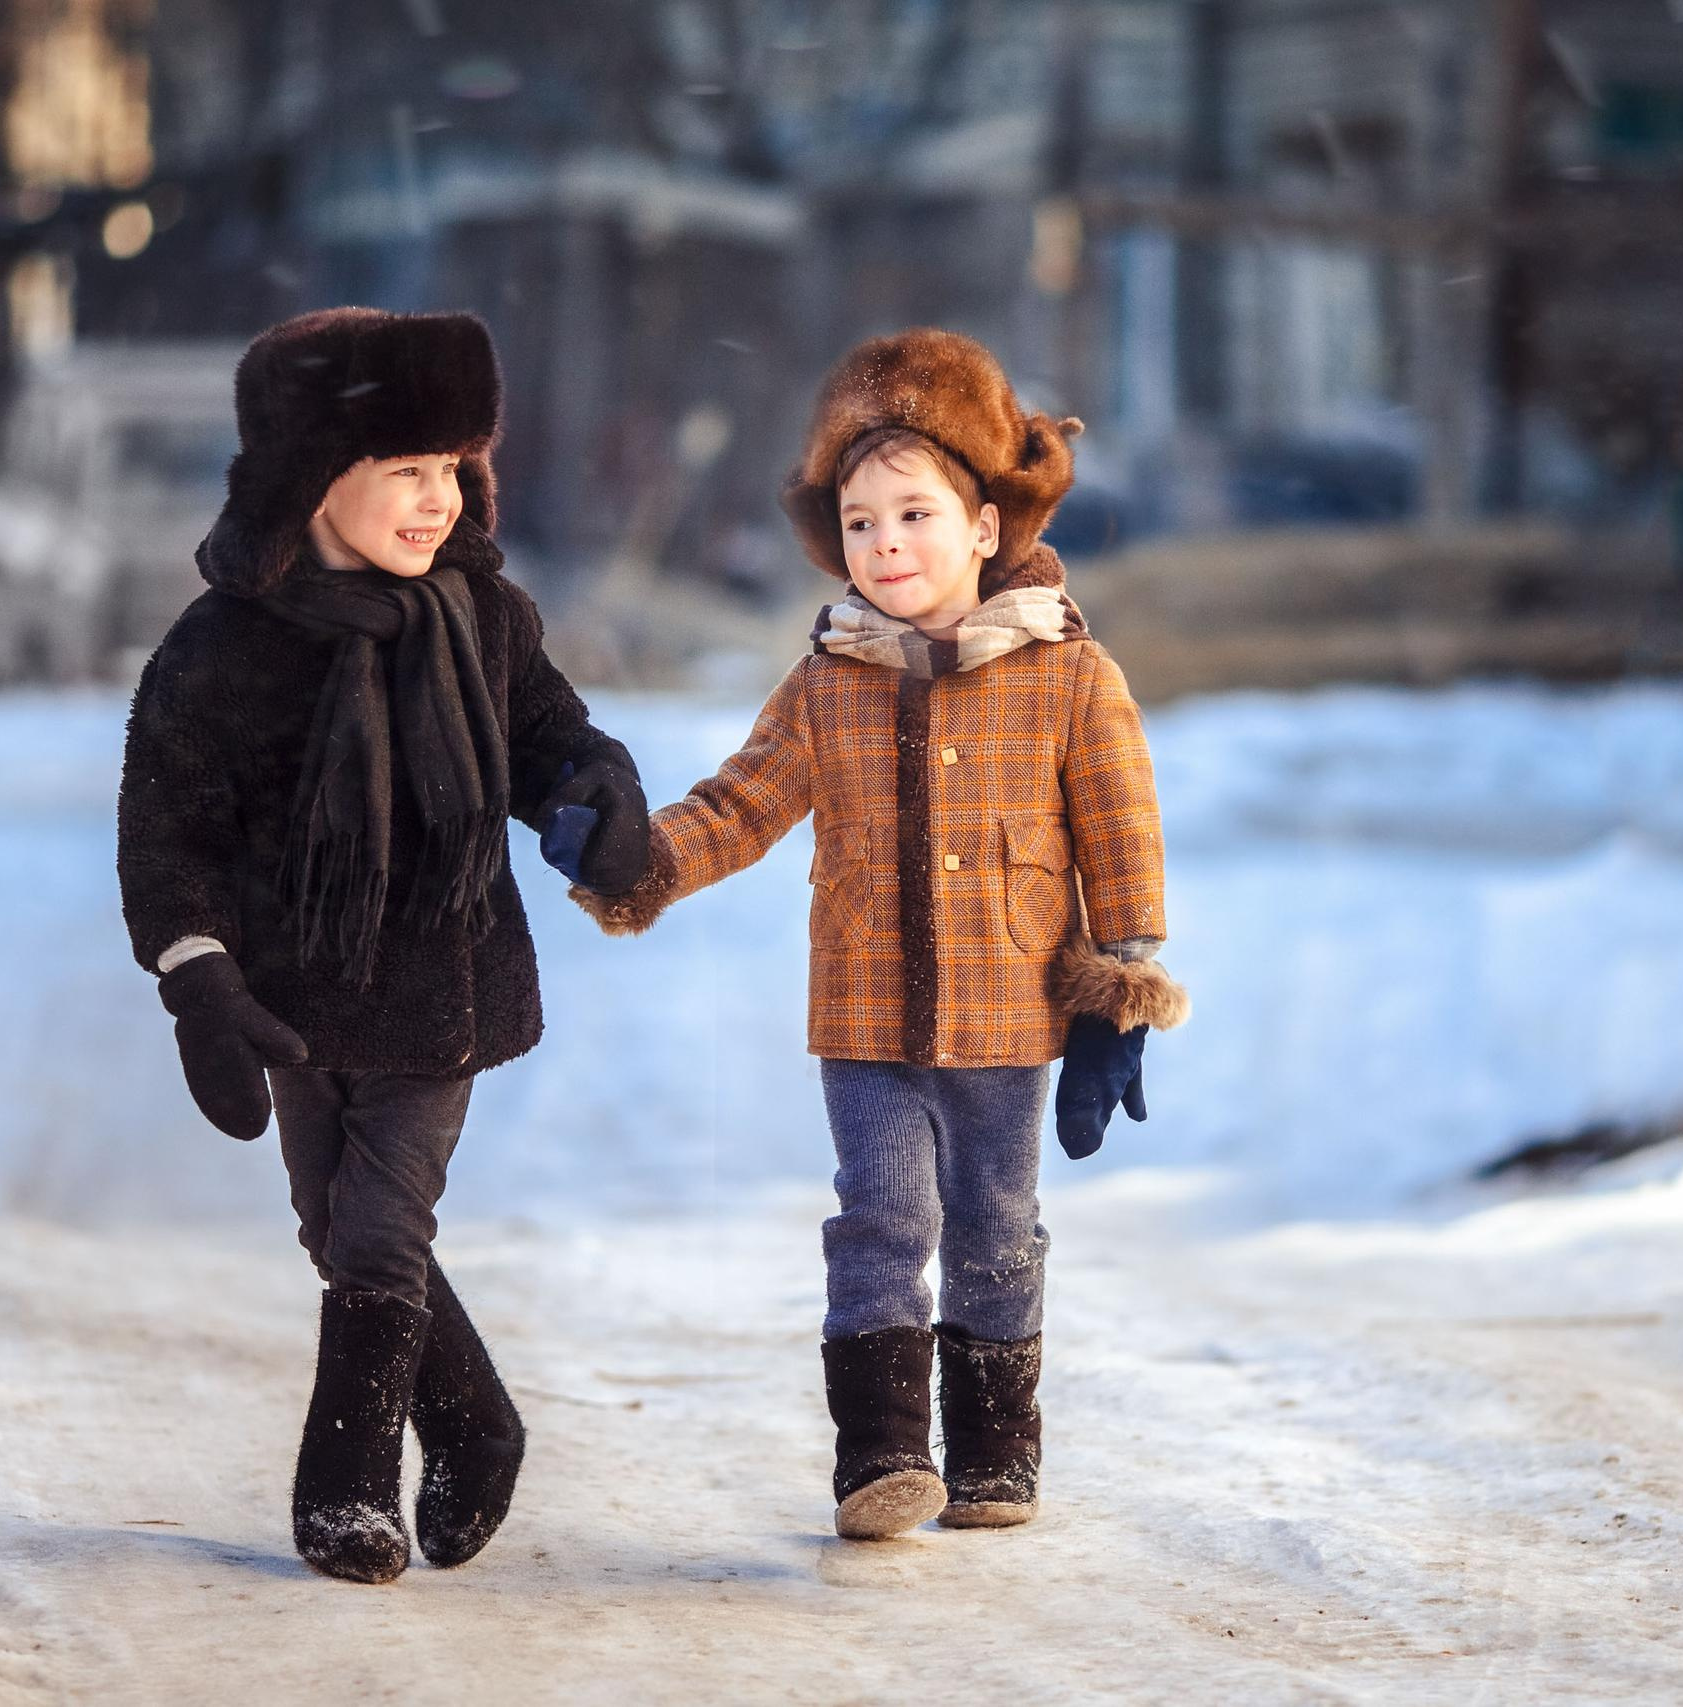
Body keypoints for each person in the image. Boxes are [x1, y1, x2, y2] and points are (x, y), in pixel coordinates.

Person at [569, 328, 1187, 1540]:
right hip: (863, 1019)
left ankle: (997, 1455)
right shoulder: (828, 682)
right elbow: (741, 806)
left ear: (986, 528)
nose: (887, 544)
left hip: (1010, 1019)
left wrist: (1122, 992)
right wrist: (637, 861)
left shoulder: (1069, 676)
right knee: (880, 1221)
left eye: (914, 514)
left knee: (998, 1226)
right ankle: (884, 1458)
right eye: (860, 523)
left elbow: (1120, 829)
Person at [116, 308, 649, 1582]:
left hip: (436, 985)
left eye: (454, 467)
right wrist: (199, 980)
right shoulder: (222, 648)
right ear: (312, 476)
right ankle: (476, 1425)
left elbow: (547, 738)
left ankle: (348, 1491)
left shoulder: (483, 616)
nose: (436, 500)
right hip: (292, 995)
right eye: (404, 469)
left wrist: (598, 793)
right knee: (328, 1221)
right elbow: (167, 826)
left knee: (377, 1235)